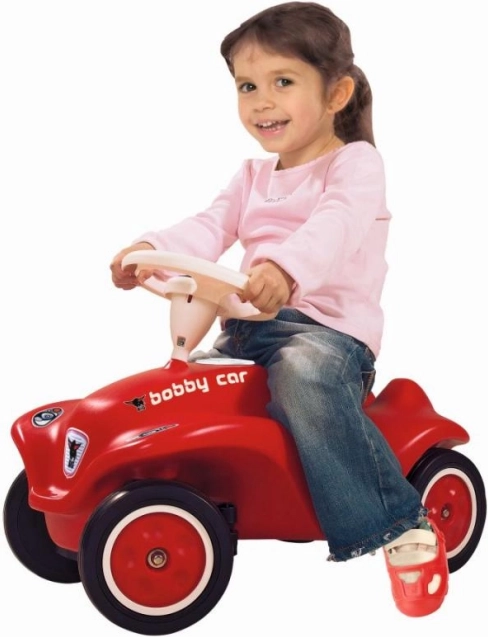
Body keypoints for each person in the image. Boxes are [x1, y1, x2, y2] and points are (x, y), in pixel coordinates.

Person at [110, 1, 448, 617]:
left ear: (336, 94)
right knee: (182, 388)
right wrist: (151, 249)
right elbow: (208, 226)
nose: (261, 102)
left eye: (282, 82)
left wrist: (284, 270)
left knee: (302, 376)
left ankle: (401, 523)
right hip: (246, 332)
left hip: (326, 337)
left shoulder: (355, 165)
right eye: (247, 87)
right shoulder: (250, 176)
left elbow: (335, 225)